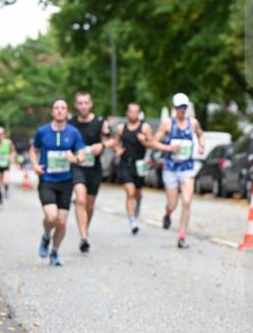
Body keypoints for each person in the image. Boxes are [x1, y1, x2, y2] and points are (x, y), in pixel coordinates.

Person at [30, 99, 86, 266]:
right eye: (56, 108)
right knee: (52, 216)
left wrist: (75, 158)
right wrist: (35, 165)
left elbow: (82, 154)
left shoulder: (73, 132)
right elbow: (34, 149)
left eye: (63, 108)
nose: (60, 111)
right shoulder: (42, 132)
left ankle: (54, 252)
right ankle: (46, 234)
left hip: (65, 181)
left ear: (67, 111)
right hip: (47, 180)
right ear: (52, 111)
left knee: (61, 222)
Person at [152, 93, 204, 248]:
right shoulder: (167, 124)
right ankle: (168, 214)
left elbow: (201, 135)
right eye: (180, 107)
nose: (182, 110)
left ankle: (182, 235)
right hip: (171, 168)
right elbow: (154, 142)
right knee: (172, 204)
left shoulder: (193, 123)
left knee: (187, 201)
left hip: (187, 167)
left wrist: (201, 145)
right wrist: (168, 147)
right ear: (174, 108)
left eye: (185, 107)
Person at [69, 91, 112, 252]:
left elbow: (112, 140)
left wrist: (102, 145)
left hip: (94, 168)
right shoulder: (70, 123)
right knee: (80, 198)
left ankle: (85, 228)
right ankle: (84, 237)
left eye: (86, 103)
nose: (83, 106)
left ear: (91, 104)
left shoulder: (101, 122)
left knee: (90, 203)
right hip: (77, 166)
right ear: (75, 105)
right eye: (80, 103)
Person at [113, 102, 154, 235]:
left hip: (140, 164)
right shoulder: (121, 128)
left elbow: (152, 143)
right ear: (127, 113)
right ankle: (132, 221)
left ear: (139, 113)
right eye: (131, 111)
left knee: (137, 192)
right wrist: (117, 150)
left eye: (136, 111)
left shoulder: (145, 127)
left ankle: (139, 200)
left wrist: (144, 140)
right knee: (129, 191)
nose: (133, 114)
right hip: (125, 163)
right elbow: (115, 143)